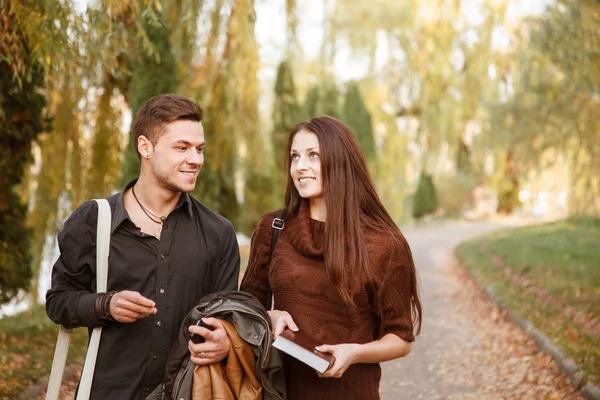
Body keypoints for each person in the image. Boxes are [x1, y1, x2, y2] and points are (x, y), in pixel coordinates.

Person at [46, 94, 240, 399]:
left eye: (199, 149)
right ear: (145, 147)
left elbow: (228, 320)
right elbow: (58, 302)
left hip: (188, 392)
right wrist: (105, 304)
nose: (196, 159)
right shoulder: (93, 220)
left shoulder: (218, 232)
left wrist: (225, 340)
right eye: (182, 148)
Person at [240, 116, 422, 400]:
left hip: (352, 392)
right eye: (295, 157)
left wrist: (355, 352)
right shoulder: (273, 228)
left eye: (314, 155)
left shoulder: (385, 244)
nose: (300, 166)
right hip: (277, 390)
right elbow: (244, 307)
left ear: (341, 162)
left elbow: (401, 338)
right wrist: (269, 314)